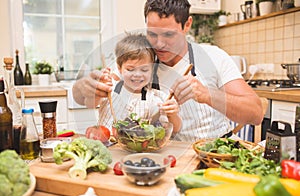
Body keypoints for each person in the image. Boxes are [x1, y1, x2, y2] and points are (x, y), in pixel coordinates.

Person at [72, 0, 263, 142]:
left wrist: (206, 94)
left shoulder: (213, 56)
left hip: (214, 151)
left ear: (187, 25)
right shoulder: (142, 60)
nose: (159, 44)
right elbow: (81, 96)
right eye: (152, 34)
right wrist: (85, 87)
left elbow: (255, 114)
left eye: (169, 35)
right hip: (168, 155)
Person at [96, 33, 182, 134]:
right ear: (119, 68)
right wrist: (98, 88)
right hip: (105, 147)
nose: (137, 75)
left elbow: (176, 129)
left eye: (144, 70)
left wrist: (173, 115)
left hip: (137, 149)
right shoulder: (110, 88)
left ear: (152, 69)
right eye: (130, 69)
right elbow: (93, 101)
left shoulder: (155, 98)